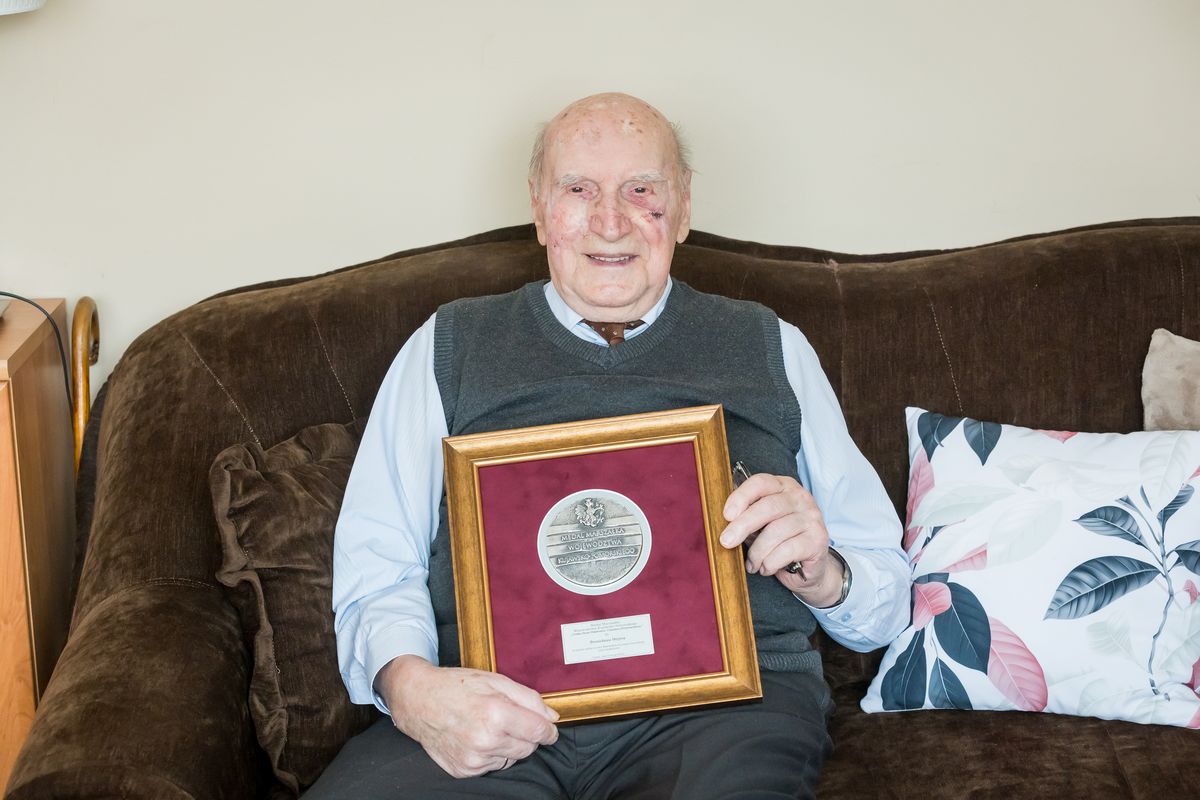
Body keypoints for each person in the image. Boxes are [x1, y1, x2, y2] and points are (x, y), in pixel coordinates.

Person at [309, 92, 908, 799]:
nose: (610, 220)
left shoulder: (770, 345)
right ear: (539, 209)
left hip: (722, 711)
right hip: (494, 710)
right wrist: (415, 692)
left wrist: (823, 574)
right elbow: (379, 566)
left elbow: (887, 601)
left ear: (682, 208)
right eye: (578, 190)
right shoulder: (449, 345)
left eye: (641, 190)